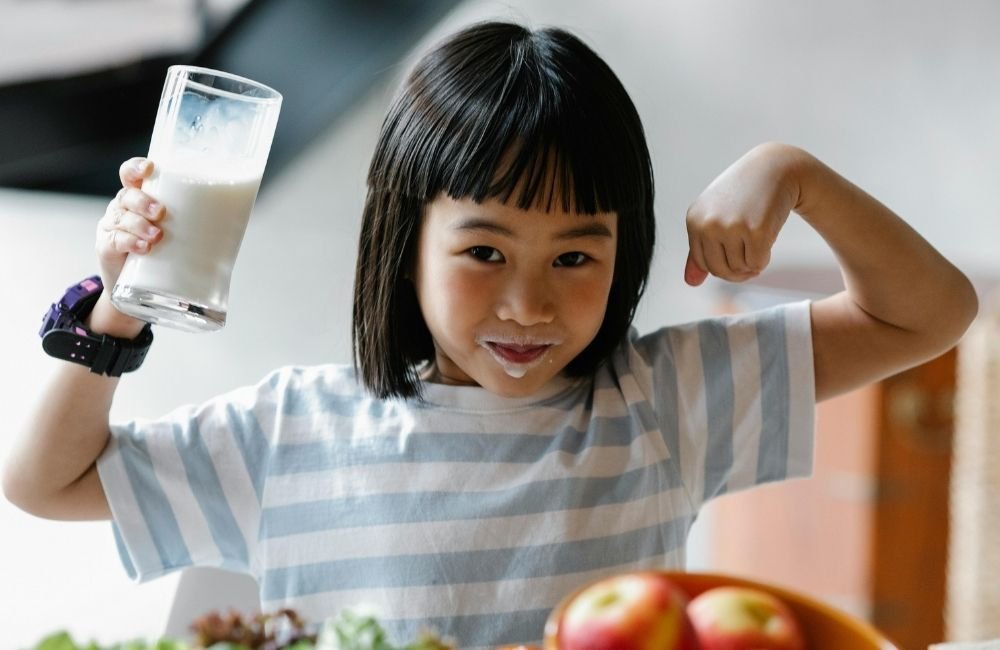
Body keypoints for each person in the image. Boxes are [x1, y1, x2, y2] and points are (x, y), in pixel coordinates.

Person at [3, 20, 978, 649]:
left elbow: (929, 311)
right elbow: (46, 480)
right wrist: (120, 305)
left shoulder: (665, 397)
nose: (527, 305)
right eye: (483, 252)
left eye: (573, 257)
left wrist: (792, 171)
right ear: (405, 240)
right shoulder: (293, 425)